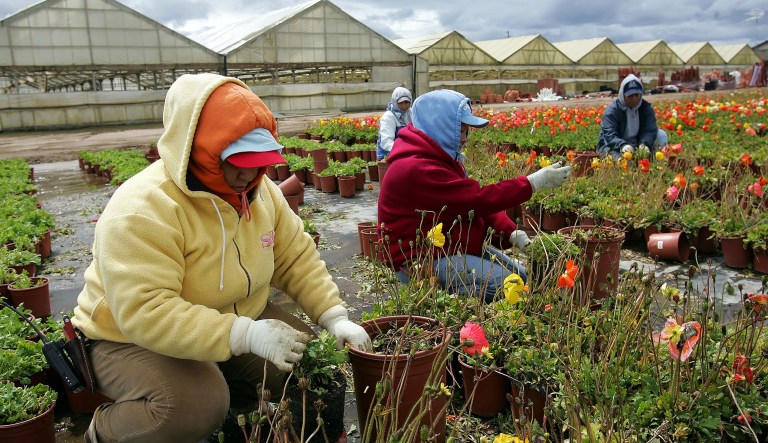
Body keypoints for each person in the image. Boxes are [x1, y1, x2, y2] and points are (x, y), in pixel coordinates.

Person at [72, 73, 371, 443]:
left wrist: (334, 318)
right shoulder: (142, 209)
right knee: (194, 404)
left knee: (309, 369)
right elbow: (145, 311)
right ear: (195, 148)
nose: (248, 173)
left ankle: (237, 416)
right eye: (235, 160)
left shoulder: (262, 196)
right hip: (125, 337)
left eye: (258, 159)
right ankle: (103, 432)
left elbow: (296, 258)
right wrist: (244, 334)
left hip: (236, 313)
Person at [377, 89, 572, 303]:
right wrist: (532, 183)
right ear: (439, 126)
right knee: (506, 283)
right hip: (419, 260)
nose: (464, 139)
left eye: (466, 131)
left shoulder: (438, 156)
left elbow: (469, 206)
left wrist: (513, 234)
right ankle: (437, 300)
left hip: (449, 247)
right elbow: (476, 199)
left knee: (520, 277)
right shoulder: (415, 167)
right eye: (458, 130)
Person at [596, 74, 668, 160]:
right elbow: (609, 134)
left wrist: (645, 144)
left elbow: (649, 129)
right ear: (623, 95)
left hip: (637, 143)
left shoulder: (645, 108)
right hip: (614, 146)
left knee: (661, 135)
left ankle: (657, 164)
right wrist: (622, 145)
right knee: (620, 162)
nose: (634, 99)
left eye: (637, 95)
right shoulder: (612, 111)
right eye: (630, 96)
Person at [376, 86, 413, 160]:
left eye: (406, 102)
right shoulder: (389, 117)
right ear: (395, 102)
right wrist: (406, 149)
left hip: (406, 153)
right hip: (388, 155)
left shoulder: (411, 113)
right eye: (401, 103)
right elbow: (386, 143)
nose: (404, 105)